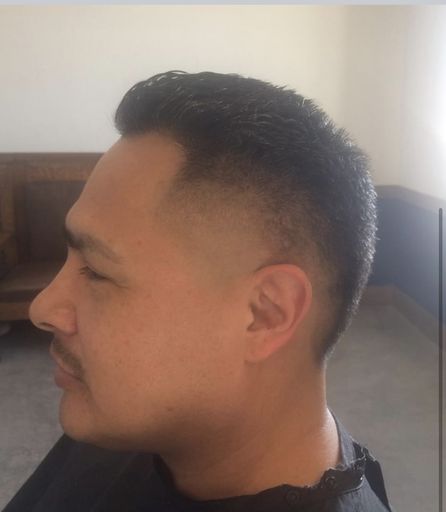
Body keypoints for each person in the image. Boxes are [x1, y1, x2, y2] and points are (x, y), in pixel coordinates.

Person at [3, 71, 393, 512]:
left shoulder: (133, 406)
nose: (42, 307)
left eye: (95, 271)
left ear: (264, 313)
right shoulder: (127, 419)